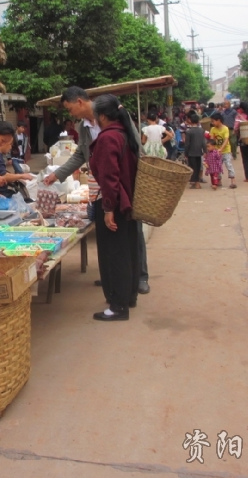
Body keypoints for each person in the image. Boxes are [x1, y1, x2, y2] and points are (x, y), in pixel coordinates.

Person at [44, 86, 150, 294]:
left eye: (69, 108)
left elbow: (136, 147)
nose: (70, 113)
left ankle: (139, 277)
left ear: (80, 102)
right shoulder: (83, 127)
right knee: (108, 234)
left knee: (131, 231)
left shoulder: (113, 117)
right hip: (102, 183)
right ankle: (113, 276)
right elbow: (81, 155)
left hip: (124, 180)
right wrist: (58, 174)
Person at [89, 95, 140, 321]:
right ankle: (128, 296)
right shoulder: (123, 133)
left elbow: (110, 177)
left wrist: (108, 208)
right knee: (127, 250)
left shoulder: (109, 137)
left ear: (102, 116)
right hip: (127, 200)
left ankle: (118, 306)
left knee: (115, 254)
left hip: (115, 202)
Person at [209, 113, 237, 188]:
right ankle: (218, 180)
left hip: (226, 150)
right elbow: (212, 140)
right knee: (217, 166)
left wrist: (221, 148)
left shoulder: (225, 128)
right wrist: (213, 149)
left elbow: (226, 140)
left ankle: (233, 180)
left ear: (219, 120)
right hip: (216, 151)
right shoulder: (213, 129)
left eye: (213, 121)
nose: (212, 123)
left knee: (228, 165)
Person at [184, 113, 206, 189]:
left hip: (191, 152)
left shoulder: (189, 131)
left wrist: (185, 153)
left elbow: (187, 144)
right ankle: (196, 182)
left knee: (193, 168)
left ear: (190, 120)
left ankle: (196, 183)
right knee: (198, 167)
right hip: (199, 152)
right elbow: (203, 142)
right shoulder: (201, 130)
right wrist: (205, 151)